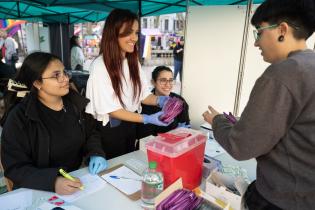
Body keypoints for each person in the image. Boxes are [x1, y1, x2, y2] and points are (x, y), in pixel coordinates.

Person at [202, 0, 315, 209]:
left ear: (282, 29)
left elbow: (242, 146)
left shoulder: (284, 73)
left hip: (282, 199)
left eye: (259, 32)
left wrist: (217, 121)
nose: (256, 43)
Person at [1, 52, 107, 195]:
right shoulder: (20, 118)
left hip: (77, 182)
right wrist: (52, 181)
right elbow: (15, 167)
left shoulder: (74, 104)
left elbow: (91, 132)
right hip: (36, 189)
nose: (65, 79)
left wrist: (96, 153)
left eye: (64, 72)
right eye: (56, 75)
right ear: (37, 83)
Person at [86, 9, 170, 159]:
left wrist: (160, 100)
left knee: (129, 161)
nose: (134, 38)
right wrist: (147, 118)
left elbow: (143, 95)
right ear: (114, 33)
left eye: (136, 32)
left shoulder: (132, 62)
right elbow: (112, 110)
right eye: (129, 32)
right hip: (111, 128)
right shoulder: (100, 66)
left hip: (131, 123)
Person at [136, 66, 190, 139]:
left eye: (170, 80)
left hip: (171, 144)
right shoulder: (142, 102)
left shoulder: (179, 101)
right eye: (163, 80)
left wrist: (183, 131)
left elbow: (185, 125)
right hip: (147, 145)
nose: (168, 84)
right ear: (153, 82)